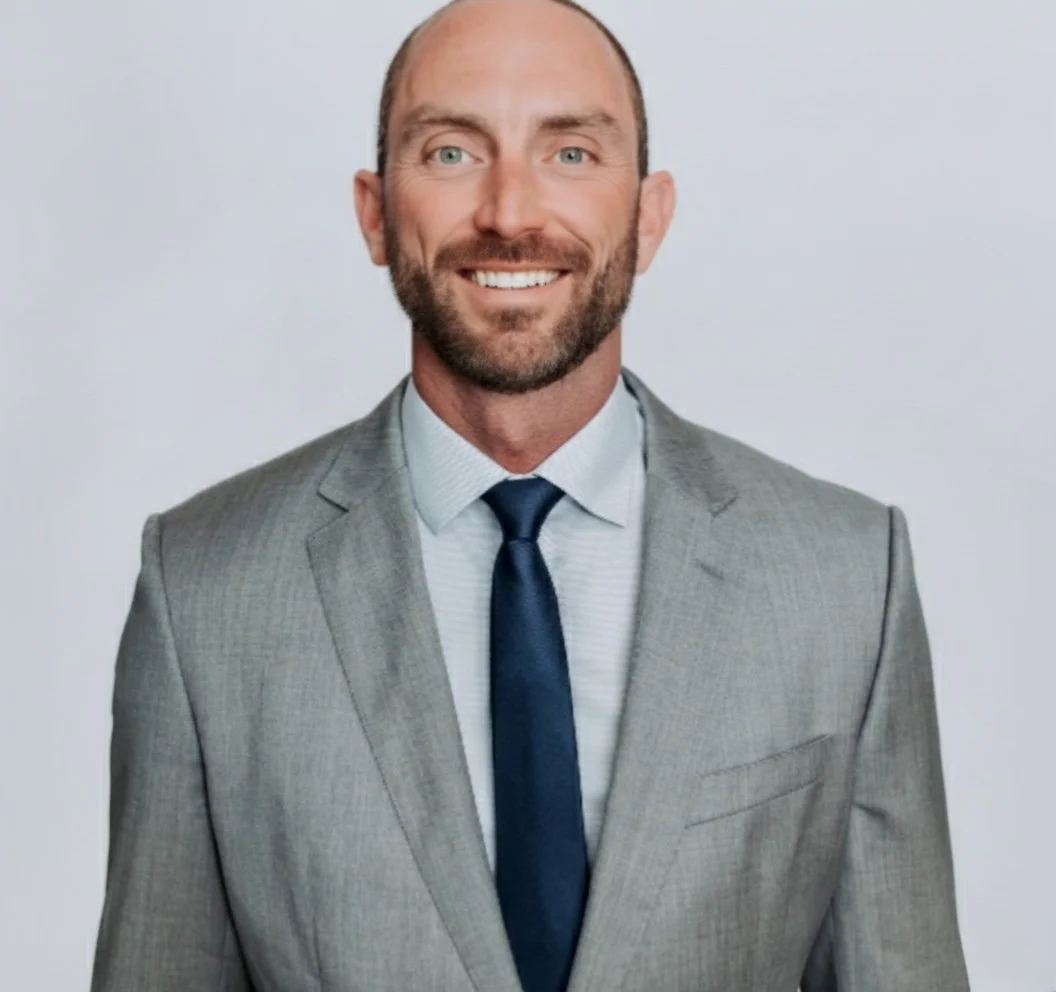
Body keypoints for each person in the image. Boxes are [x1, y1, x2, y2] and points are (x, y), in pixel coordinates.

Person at [90, 0, 972, 989]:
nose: (511, 211)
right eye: (453, 152)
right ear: (375, 212)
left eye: (572, 153)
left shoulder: (848, 578)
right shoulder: (203, 591)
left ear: (649, 214)